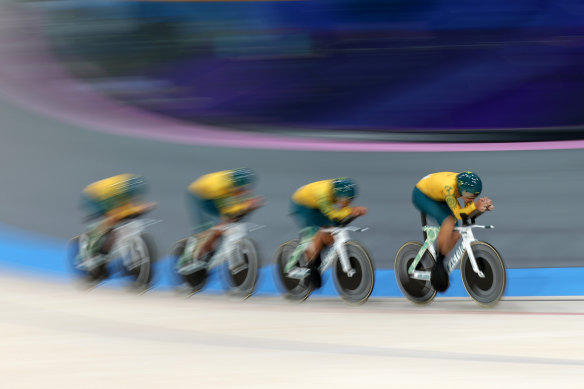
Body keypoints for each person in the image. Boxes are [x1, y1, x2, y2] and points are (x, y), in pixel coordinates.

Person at [412, 171, 494, 292]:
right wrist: (475, 206)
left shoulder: (465, 189)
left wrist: (482, 208)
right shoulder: (449, 187)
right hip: (422, 194)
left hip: (437, 194)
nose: (471, 198)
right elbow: (459, 214)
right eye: (469, 194)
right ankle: (438, 264)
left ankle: (441, 259)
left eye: (475, 195)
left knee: (456, 229)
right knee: (449, 221)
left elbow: (468, 211)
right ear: (461, 189)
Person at [289, 177, 367, 288]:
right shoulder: (324, 194)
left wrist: (352, 213)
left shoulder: (338, 191)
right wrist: (350, 211)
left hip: (316, 203)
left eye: (351, 199)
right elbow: (332, 214)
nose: (349, 202)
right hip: (303, 204)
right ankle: (310, 262)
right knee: (315, 231)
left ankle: (316, 249)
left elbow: (339, 217)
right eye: (347, 200)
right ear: (339, 196)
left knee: (332, 229)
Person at [186, 168, 263, 261]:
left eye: (244, 188)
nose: (243, 191)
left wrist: (249, 207)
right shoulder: (220, 187)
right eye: (239, 188)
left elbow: (239, 211)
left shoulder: (241, 186)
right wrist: (245, 206)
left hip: (219, 194)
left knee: (227, 223)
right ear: (233, 185)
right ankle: (193, 256)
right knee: (209, 227)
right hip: (201, 196)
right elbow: (227, 212)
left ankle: (212, 246)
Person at [81, 174, 155, 259]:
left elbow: (136, 203)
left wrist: (142, 207)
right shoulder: (113, 192)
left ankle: (107, 243)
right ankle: (91, 245)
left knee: (124, 214)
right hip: (94, 196)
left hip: (114, 194)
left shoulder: (131, 188)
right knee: (110, 220)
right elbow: (114, 213)